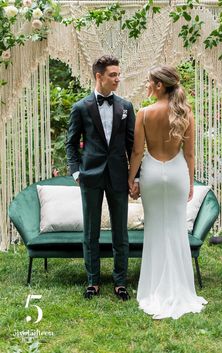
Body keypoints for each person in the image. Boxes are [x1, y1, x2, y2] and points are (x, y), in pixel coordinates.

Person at [128, 65, 207, 319]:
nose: (148, 86)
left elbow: (138, 152)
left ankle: (152, 287)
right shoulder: (185, 113)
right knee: (175, 228)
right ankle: (181, 287)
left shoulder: (144, 113)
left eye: (150, 82)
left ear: (160, 85)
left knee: (155, 229)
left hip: (151, 173)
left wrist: (132, 178)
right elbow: (190, 153)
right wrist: (191, 182)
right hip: (176, 175)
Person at [66, 55, 139, 300]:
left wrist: (134, 177)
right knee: (91, 232)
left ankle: (120, 282)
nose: (118, 79)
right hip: (91, 176)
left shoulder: (126, 107)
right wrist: (77, 172)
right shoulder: (81, 107)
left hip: (118, 176)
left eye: (119, 74)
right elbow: (71, 144)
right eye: (113, 75)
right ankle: (93, 281)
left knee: (121, 232)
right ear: (99, 76)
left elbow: (132, 145)